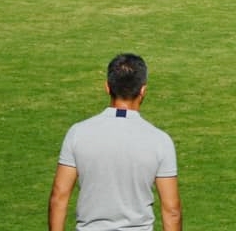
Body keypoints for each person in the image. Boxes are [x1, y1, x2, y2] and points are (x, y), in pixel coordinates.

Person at [50, 53, 181, 231]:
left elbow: (59, 196)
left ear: (107, 87)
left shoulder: (78, 133)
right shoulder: (160, 141)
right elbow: (172, 210)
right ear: (143, 90)